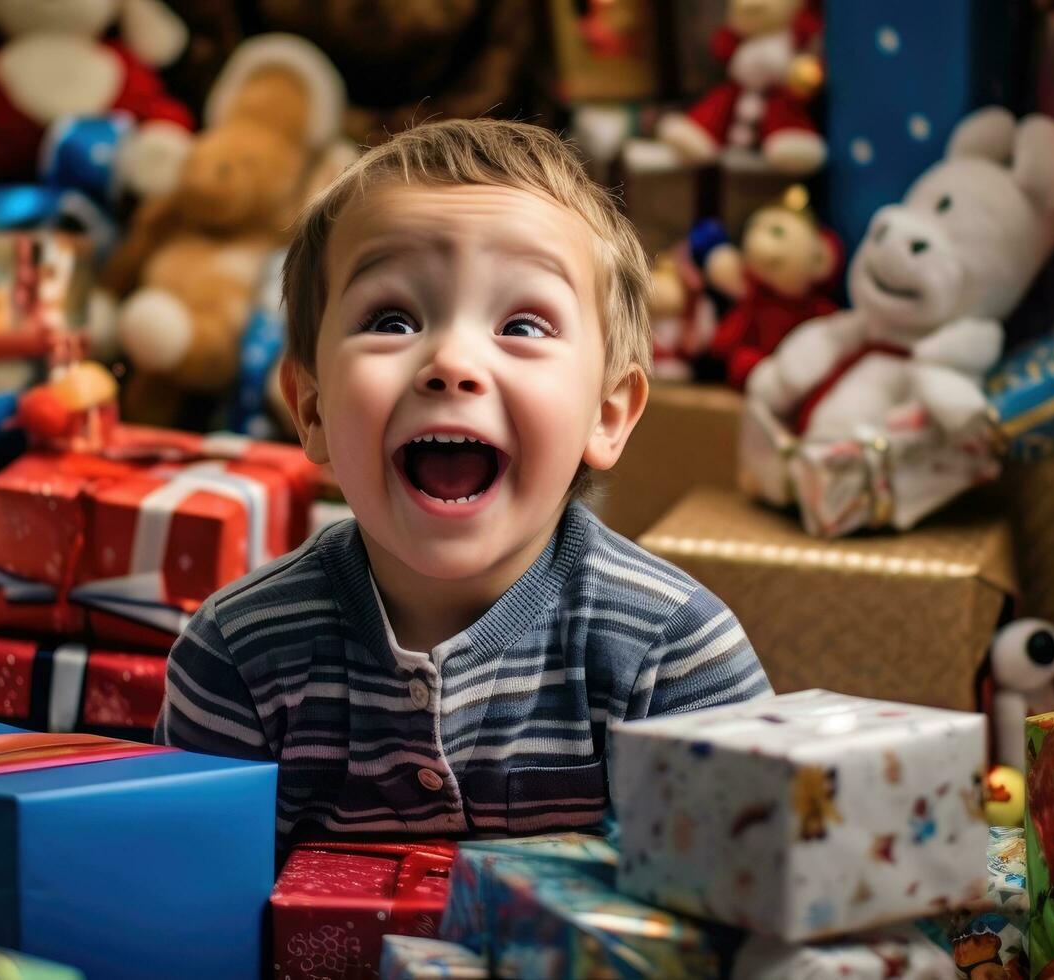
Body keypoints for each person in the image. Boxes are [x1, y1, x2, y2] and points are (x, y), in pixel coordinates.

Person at [155, 119, 770, 843]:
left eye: (524, 326)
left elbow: (745, 898)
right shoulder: (237, 656)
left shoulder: (672, 651)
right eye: (390, 319)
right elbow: (186, 905)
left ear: (606, 416)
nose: (451, 360)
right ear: (313, 409)